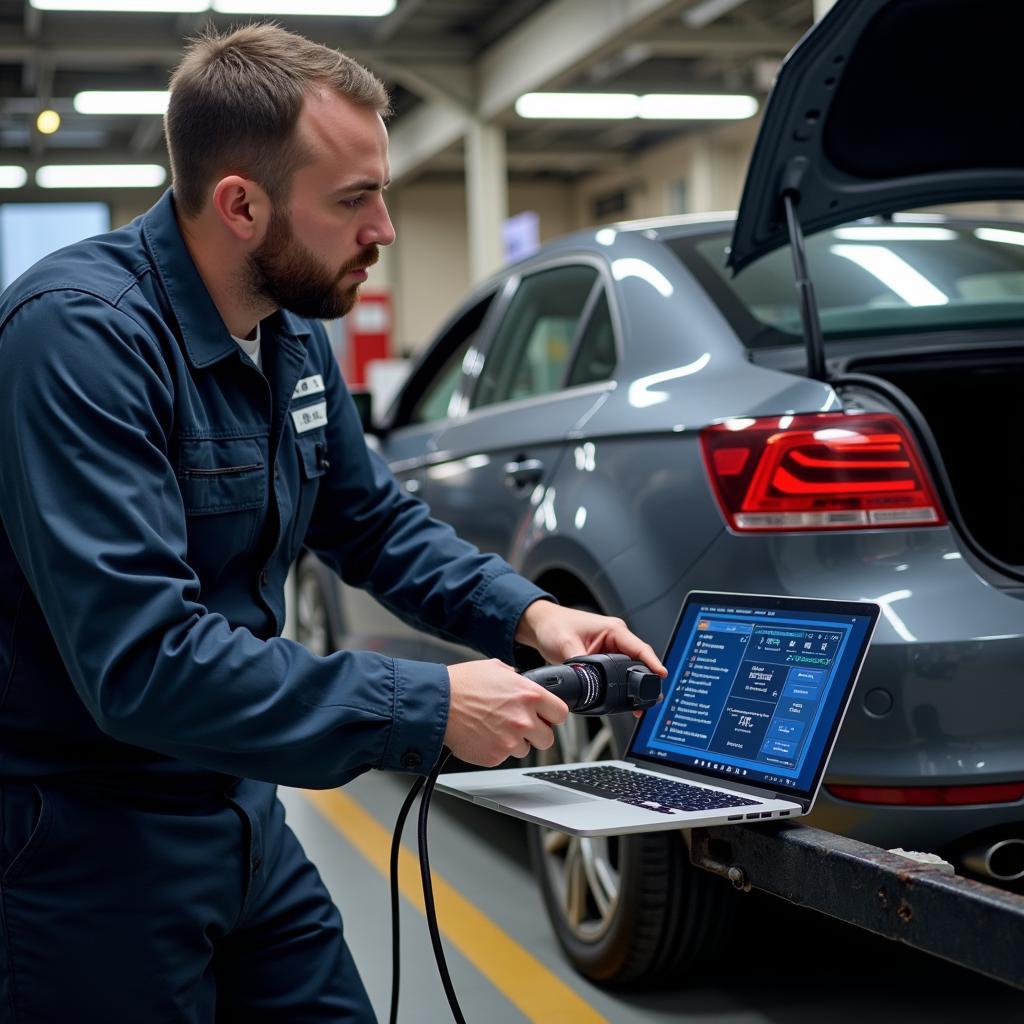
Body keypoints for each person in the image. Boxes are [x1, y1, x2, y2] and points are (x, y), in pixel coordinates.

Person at [0, 23, 665, 1023]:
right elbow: (143, 661)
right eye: (354, 200)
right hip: (82, 840)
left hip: (241, 810)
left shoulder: (288, 337)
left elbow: (372, 522)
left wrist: (531, 616)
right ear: (240, 204)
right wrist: (427, 705)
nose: (385, 228)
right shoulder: (78, 341)